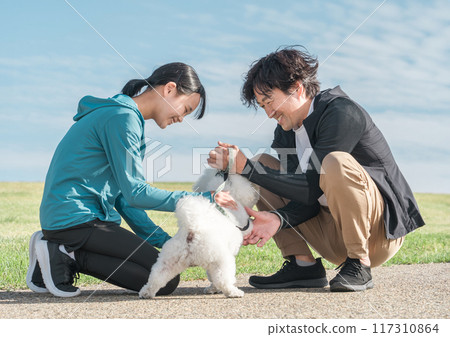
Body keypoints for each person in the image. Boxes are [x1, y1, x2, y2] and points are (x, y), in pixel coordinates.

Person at [208, 46, 425, 292]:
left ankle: (359, 264)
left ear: (297, 88)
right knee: (264, 163)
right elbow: (303, 195)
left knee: (334, 162)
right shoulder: (286, 131)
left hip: (377, 235)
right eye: (262, 106)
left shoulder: (341, 112)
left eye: (269, 101)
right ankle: (303, 265)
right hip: (331, 237)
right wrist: (278, 219)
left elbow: (312, 186)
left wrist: (247, 168)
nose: (268, 113)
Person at [26, 62, 236, 297]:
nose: (182, 118)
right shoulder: (122, 118)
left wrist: (166, 242)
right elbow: (136, 193)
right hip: (76, 220)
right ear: (169, 89)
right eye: (185, 109)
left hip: (72, 220)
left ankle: (56, 252)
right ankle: (65, 255)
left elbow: (124, 199)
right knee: (164, 280)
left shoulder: (122, 116)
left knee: (164, 272)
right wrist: (204, 199)